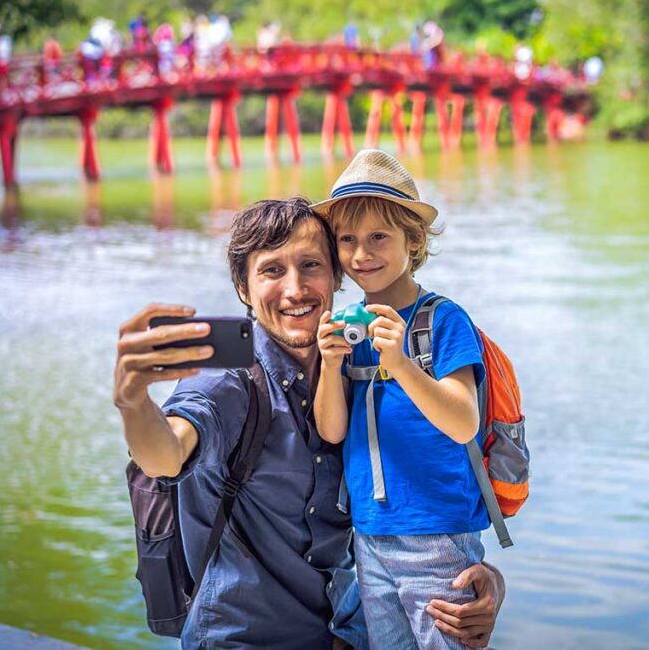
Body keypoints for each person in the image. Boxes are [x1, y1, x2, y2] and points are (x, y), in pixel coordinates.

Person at [113, 197, 504, 649]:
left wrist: (467, 572)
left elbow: (426, 461)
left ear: (337, 275)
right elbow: (167, 455)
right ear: (243, 288)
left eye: (310, 265)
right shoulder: (229, 382)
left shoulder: (361, 358)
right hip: (245, 638)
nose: (295, 289)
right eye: (271, 271)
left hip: (346, 629)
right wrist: (133, 401)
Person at [311, 150, 492, 649]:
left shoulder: (443, 319)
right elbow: (332, 430)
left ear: (414, 242)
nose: (361, 253)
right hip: (368, 534)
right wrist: (329, 365)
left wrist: (403, 363)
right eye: (347, 240)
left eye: (378, 237)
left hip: (435, 533)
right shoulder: (349, 326)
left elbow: (462, 423)